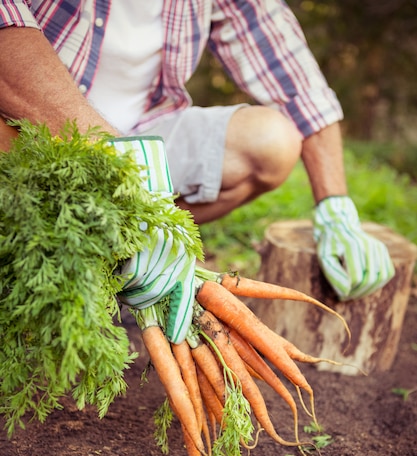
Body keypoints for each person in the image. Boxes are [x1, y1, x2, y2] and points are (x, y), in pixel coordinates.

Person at [0, 1, 394, 343]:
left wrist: (335, 202)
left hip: (145, 130)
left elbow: (292, 74)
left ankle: (110, 268)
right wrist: (117, 159)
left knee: (271, 140)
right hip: (30, 129)